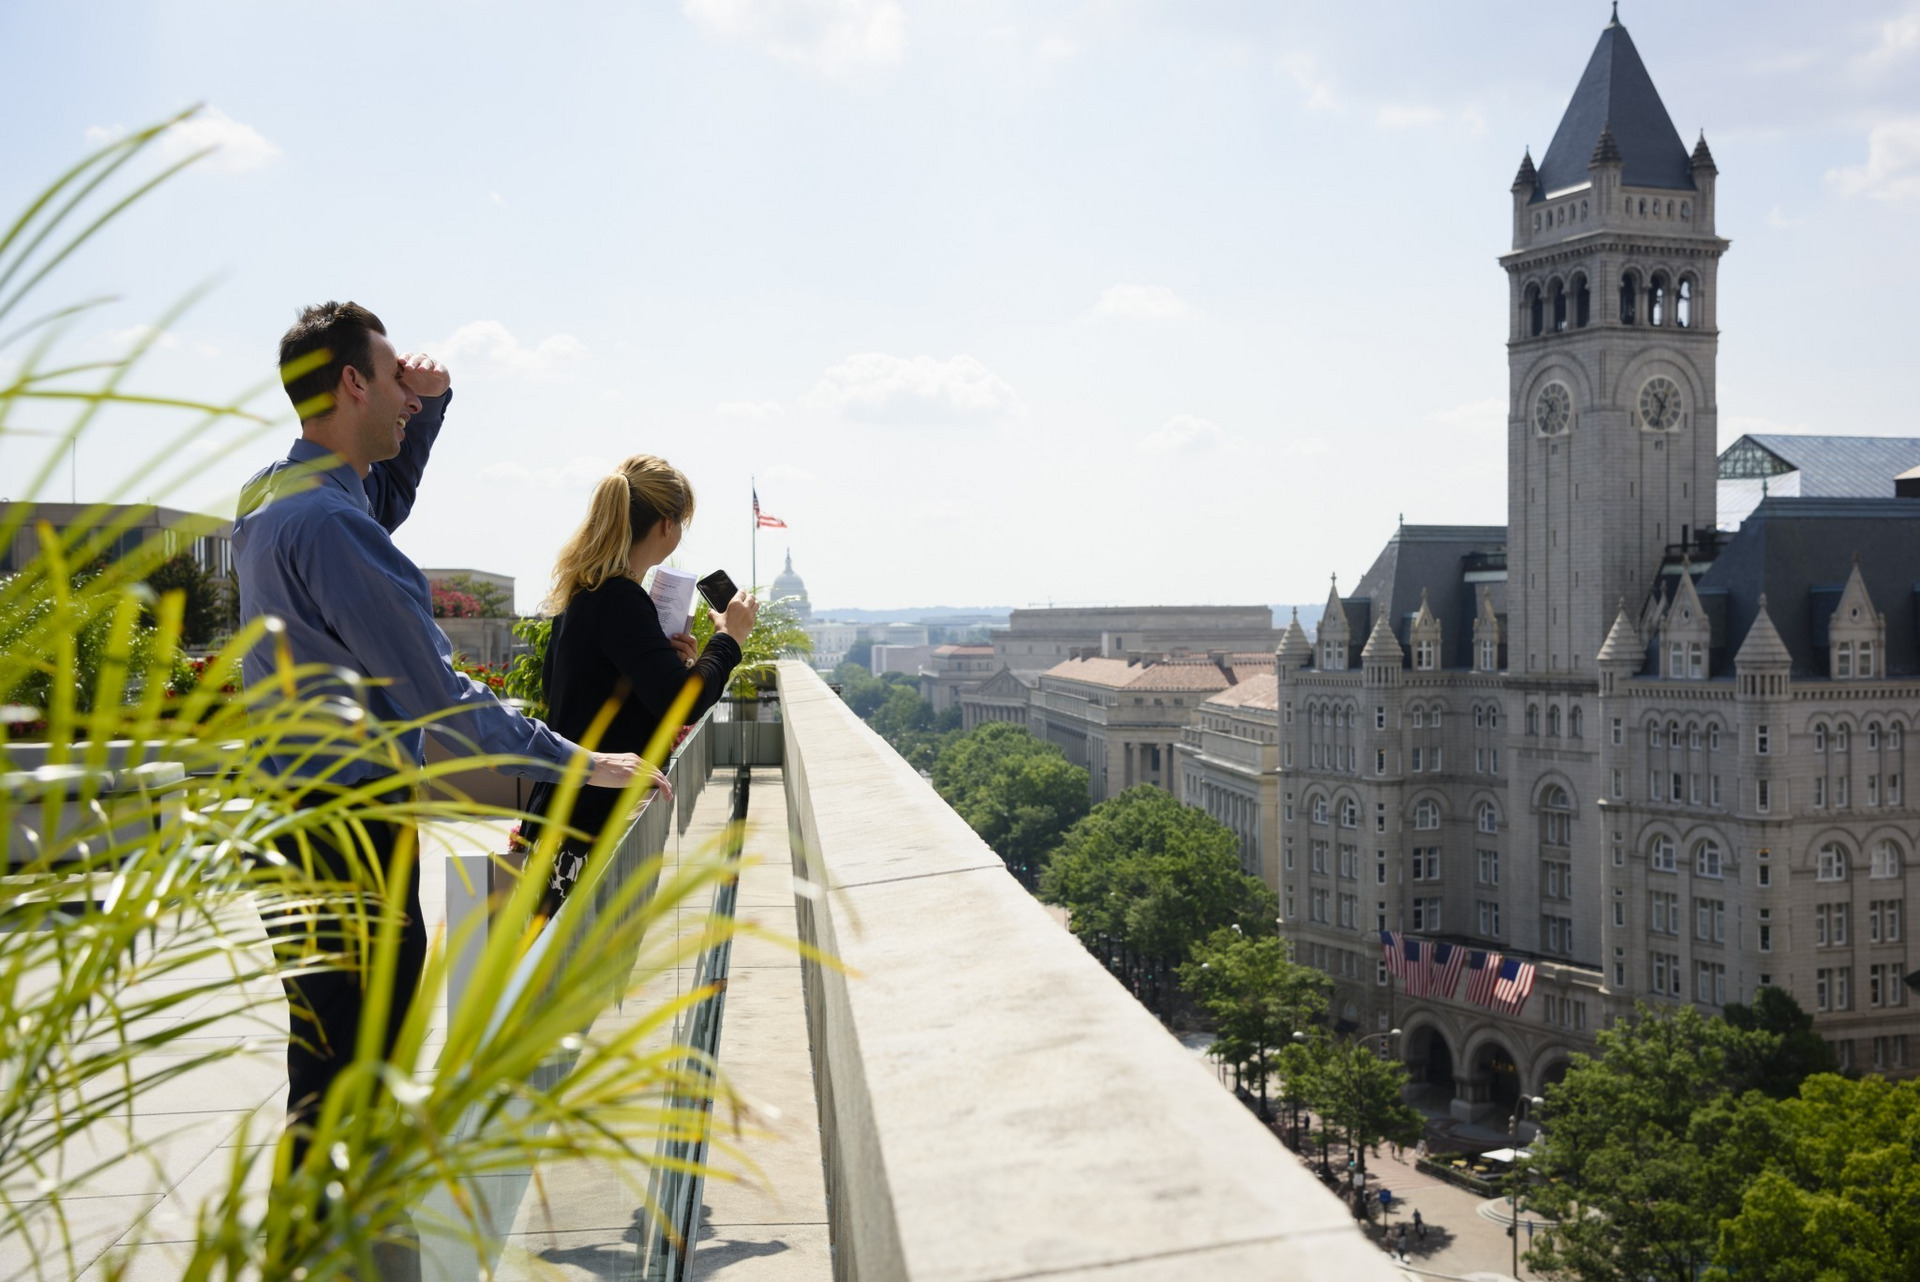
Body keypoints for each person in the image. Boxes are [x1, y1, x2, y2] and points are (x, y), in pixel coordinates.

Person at [234, 301, 653, 1165]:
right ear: (352, 381)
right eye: (393, 381)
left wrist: (432, 411)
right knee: (359, 1074)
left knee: (323, 1068)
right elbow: (443, 703)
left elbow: (369, 501)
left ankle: (302, 1245)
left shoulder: (276, 496)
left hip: (284, 818)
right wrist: (583, 763)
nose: (407, 398)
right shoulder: (334, 527)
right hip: (348, 833)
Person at [519, 455, 758, 908]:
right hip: (593, 824)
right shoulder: (622, 599)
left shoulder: (585, 590)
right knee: (588, 966)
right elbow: (681, 704)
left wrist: (654, 665)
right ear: (667, 524)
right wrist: (729, 638)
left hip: (559, 815)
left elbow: (564, 691)